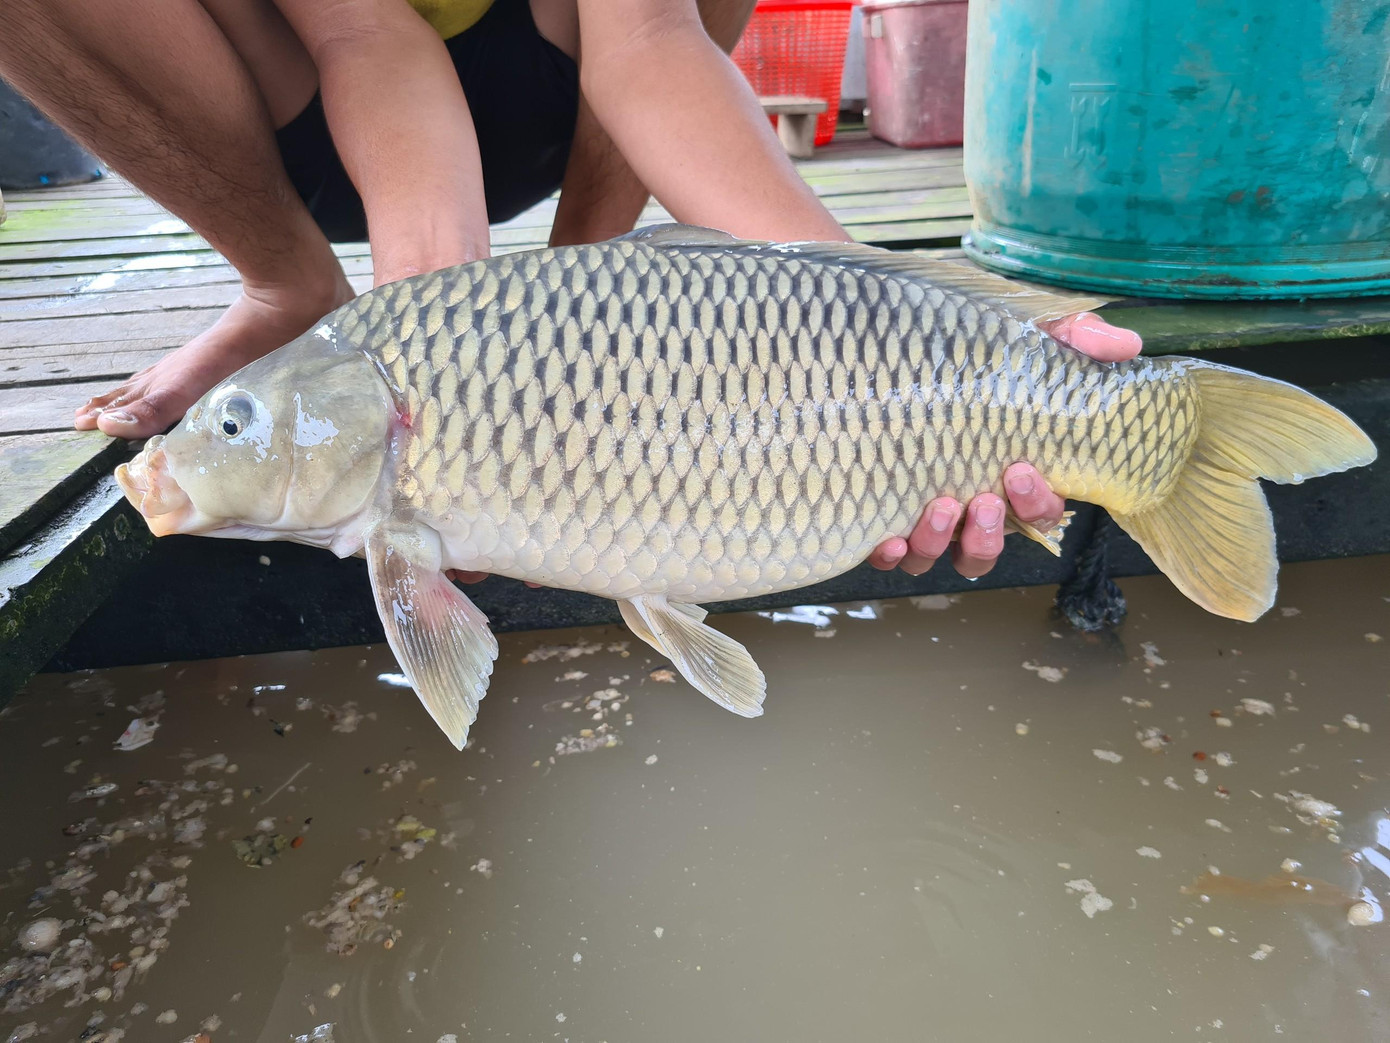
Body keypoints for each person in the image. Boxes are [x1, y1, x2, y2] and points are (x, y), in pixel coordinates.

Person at [0, 0, 1142, 583]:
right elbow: (363, 34)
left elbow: (646, 36)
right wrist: (439, 338)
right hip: (305, 101)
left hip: (562, 74)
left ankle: (584, 269)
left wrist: (893, 304)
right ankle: (284, 280)